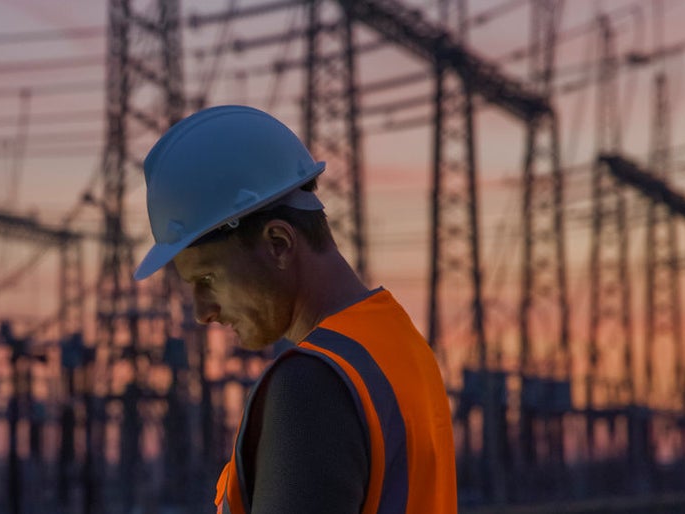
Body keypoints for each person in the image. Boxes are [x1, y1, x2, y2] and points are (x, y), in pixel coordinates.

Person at [131, 105, 457, 514]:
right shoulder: (402, 350)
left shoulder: (312, 385)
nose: (202, 313)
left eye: (208, 279)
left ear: (279, 244)